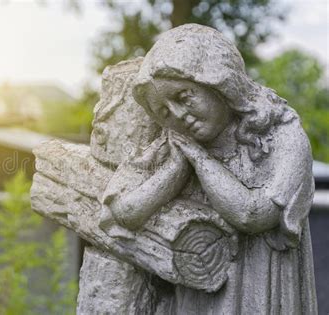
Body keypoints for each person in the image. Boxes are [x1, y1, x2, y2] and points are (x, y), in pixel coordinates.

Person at [100, 24, 317, 314]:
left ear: (217, 81)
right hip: (195, 298)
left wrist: (199, 161)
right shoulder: (170, 145)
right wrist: (176, 170)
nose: (177, 116)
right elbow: (122, 212)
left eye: (183, 96)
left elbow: (254, 214)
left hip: (262, 295)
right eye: (164, 112)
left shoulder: (282, 135)